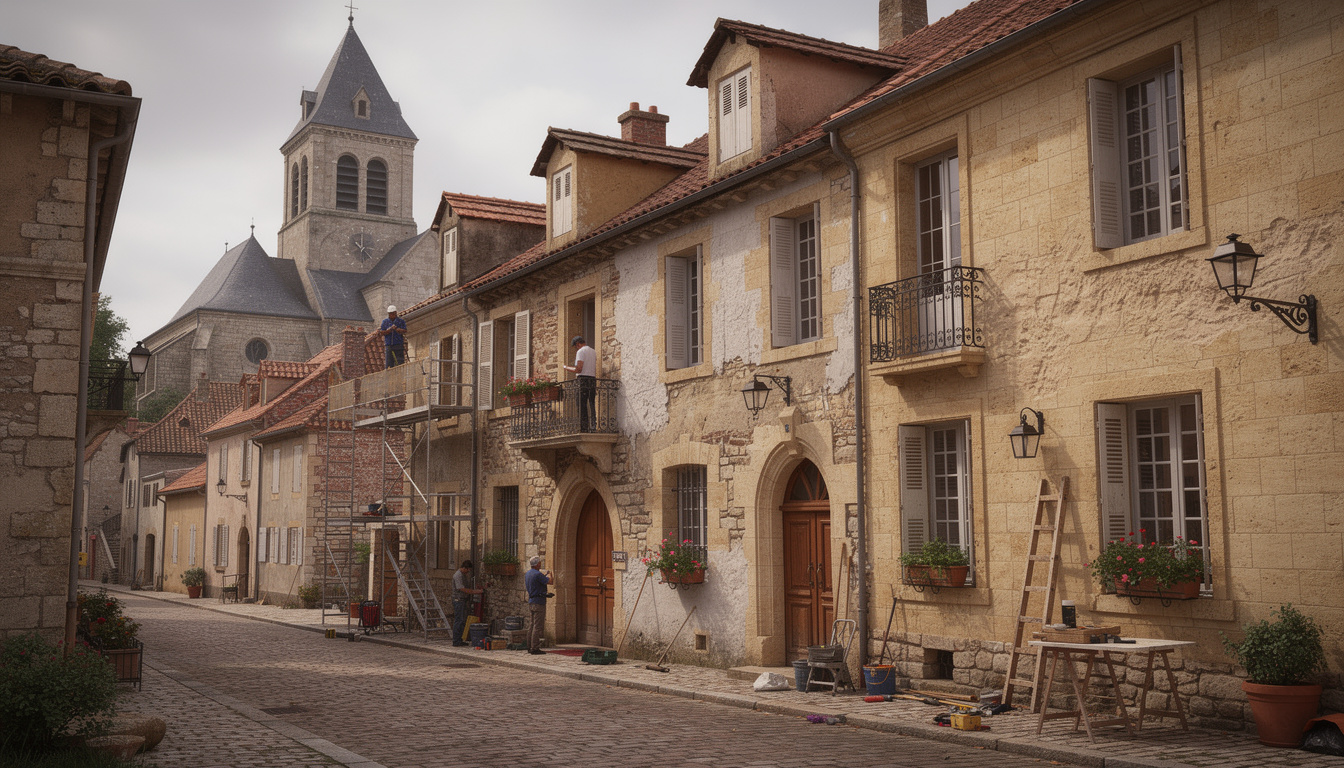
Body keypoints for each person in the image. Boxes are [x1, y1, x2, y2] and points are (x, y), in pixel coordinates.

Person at [563, 335, 597, 432]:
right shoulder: (593, 351)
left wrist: (565, 367)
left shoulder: (580, 352)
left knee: (581, 404)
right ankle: (593, 426)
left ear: (578, 344)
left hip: (583, 379)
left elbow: (579, 369)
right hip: (592, 379)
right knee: (591, 403)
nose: (575, 349)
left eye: (575, 346)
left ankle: (584, 428)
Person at [524, 556, 552, 655]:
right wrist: (549, 574)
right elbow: (550, 581)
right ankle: (535, 647)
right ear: (537, 564)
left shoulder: (528, 573)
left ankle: (529, 645)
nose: (540, 564)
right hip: (539, 602)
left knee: (531, 625)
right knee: (537, 626)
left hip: (531, 601)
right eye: (539, 563)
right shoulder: (538, 574)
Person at [451, 560, 483, 647]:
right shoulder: (458, 575)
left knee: (462, 620)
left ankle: (460, 639)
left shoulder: (463, 575)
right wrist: (474, 592)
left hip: (463, 600)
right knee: (459, 620)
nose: (468, 572)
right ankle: (456, 641)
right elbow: (461, 588)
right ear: (464, 568)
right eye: (468, 570)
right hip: (458, 600)